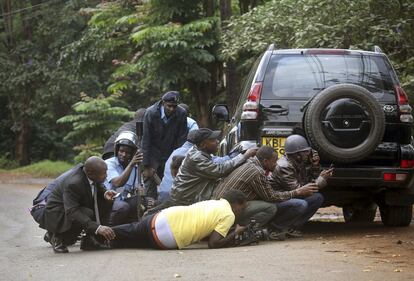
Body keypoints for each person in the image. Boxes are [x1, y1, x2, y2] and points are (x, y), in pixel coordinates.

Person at [147, 128, 257, 214]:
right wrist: (243, 156)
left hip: (185, 196)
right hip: (186, 200)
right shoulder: (197, 157)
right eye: (213, 140)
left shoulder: (200, 153)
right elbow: (220, 170)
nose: (217, 142)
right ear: (204, 144)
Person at [109, 190, 248, 249]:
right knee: (133, 239)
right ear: (236, 203)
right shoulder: (229, 215)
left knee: (130, 230)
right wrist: (236, 232)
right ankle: (102, 237)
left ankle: (99, 233)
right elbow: (213, 244)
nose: (240, 212)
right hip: (167, 238)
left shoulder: (215, 202)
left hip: (163, 217)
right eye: (241, 208)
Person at [43, 156, 117, 253]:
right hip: (57, 213)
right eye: (103, 173)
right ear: (90, 173)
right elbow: (72, 212)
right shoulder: (74, 183)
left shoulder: (89, 172)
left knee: (107, 201)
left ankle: (89, 240)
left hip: (73, 206)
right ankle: (57, 237)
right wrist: (97, 227)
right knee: (87, 213)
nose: (106, 176)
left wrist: (105, 193)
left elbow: (97, 183)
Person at [269, 134, 333, 238]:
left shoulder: (298, 162)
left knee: (317, 198)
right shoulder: (284, 166)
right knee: (301, 204)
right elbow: (299, 190)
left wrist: (315, 166)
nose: (309, 154)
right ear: (296, 154)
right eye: (306, 152)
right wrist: (321, 180)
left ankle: (292, 227)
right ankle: (275, 228)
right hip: (277, 200)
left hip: (289, 197)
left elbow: (306, 182)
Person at [142, 91, 188, 199]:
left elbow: (182, 139)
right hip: (153, 155)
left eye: (174, 106)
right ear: (163, 103)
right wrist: (146, 165)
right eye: (169, 106)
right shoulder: (151, 113)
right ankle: (150, 212)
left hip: (172, 154)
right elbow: (146, 140)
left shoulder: (181, 113)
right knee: (150, 189)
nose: (172, 109)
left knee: (173, 187)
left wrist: (179, 160)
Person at [104, 131, 147, 226]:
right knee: (123, 207)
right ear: (116, 150)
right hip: (107, 201)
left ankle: (129, 230)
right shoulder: (109, 164)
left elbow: (138, 189)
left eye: (128, 152)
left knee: (140, 202)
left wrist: (143, 195)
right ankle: (108, 231)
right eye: (121, 151)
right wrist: (131, 164)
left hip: (123, 200)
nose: (123, 155)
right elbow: (117, 183)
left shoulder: (136, 168)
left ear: (133, 154)